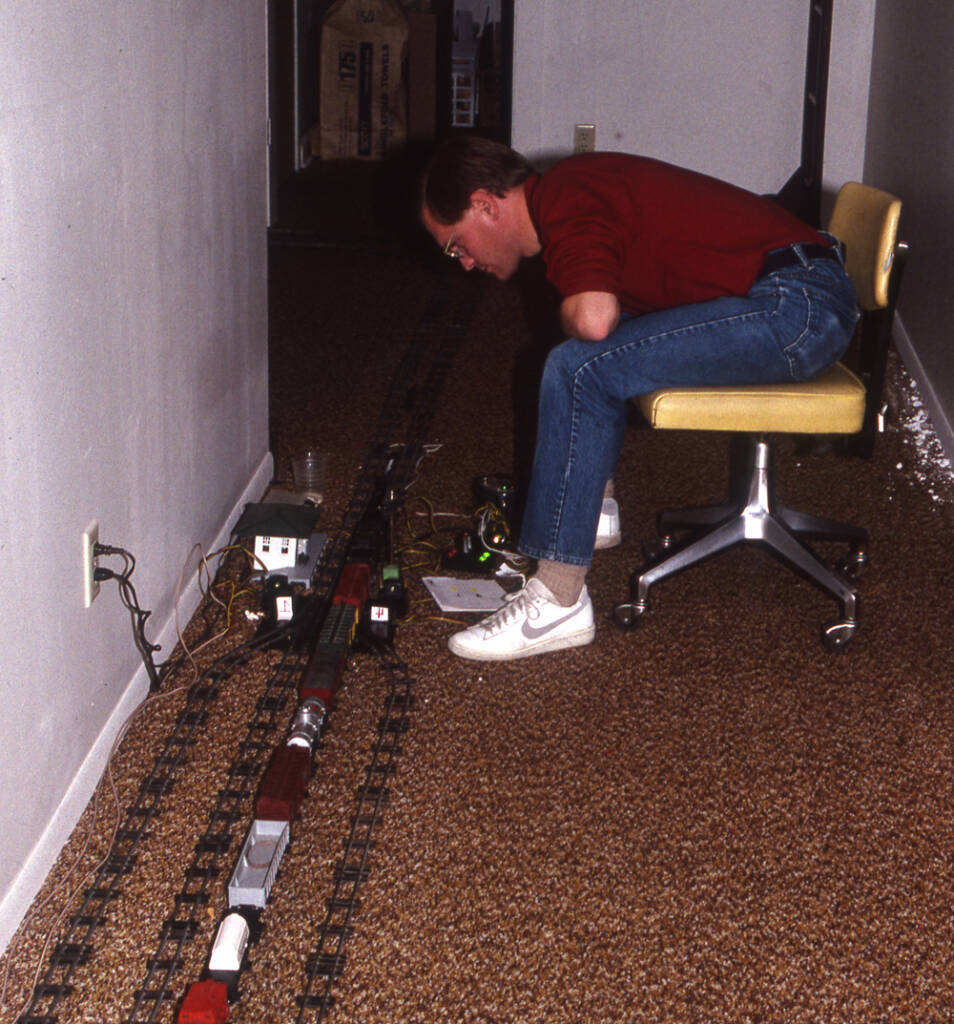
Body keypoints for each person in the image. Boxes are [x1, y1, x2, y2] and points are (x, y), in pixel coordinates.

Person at [419, 136, 859, 662]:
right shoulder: (569, 191)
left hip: (798, 305)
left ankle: (558, 598)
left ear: (485, 205)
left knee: (576, 358)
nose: (463, 262)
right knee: (587, 356)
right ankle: (589, 515)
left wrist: (571, 318)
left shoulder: (565, 195)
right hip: (799, 294)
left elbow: (594, 321)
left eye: (455, 244)